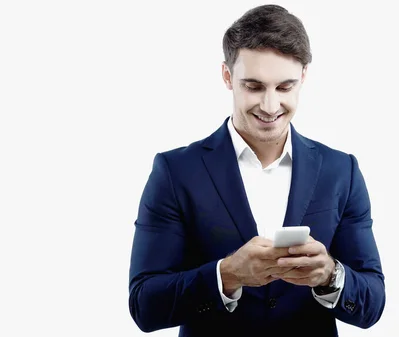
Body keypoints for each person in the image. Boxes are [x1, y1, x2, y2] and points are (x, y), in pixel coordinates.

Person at [128, 4, 385, 336]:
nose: (269, 105)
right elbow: (144, 305)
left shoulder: (341, 170)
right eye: (253, 86)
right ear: (227, 76)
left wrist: (331, 275)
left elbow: (373, 303)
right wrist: (229, 274)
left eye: (284, 87)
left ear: (303, 77)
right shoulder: (176, 172)